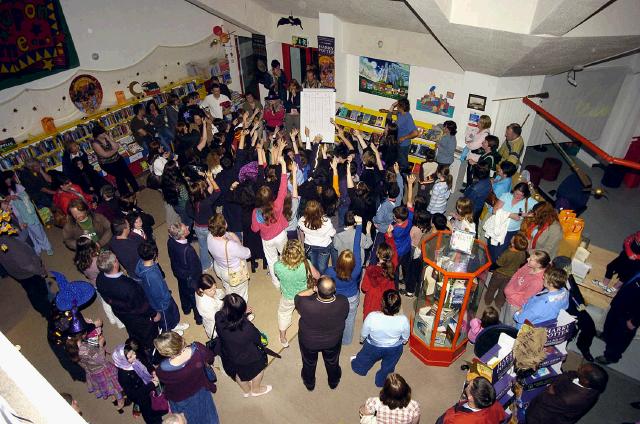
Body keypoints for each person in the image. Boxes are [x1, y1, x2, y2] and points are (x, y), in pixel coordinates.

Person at [96, 251, 159, 355]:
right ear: (115, 264)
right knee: (149, 335)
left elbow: (107, 299)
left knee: (133, 332)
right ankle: (152, 353)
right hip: (137, 317)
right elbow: (141, 306)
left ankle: (137, 344)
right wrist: (154, 314)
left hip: (121, 313)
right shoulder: (128, 286)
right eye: (116, 259)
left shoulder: (100, 279)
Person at [64, 311, 126, 413]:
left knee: (104, 386)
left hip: (91, 371)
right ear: (83, 334)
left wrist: (94, 333)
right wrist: (100, 345)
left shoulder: (73, 345)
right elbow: (100, 359)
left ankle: (112, 396)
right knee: (113, 385)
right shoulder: (86, 349)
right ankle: (120, 400)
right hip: (102, 370)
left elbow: (89, 347)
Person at [295, 276, 349, 391]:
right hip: (333, 341)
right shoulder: (343, 301)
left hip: (309, 341)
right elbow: (344, 316)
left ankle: (309, 383)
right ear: (334, 290)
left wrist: (313, 289)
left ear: (317, 289)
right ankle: (333, 381)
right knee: (332, 361)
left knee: (309, 362)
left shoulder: (305, 304)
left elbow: (298, 296)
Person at [154, 332, 219, 424]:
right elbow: (210, 358)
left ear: (164, 352)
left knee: (187, 417)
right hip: (200, 386)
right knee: (207, 411)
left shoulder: (162, 369)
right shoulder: (198, 349)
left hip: (179, 395)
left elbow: (163, 380)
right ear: (180, 339)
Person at [215, 293, 272, 397]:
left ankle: (246, 391)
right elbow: (257, 339)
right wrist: (244, 316)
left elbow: (230, 320)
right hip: (247, 356)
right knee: (260, 368)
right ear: (240, 312)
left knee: (238, 374)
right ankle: (256, 389)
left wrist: (241, 313)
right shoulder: (246, 328)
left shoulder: (218, 316)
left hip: (228, 354)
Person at [352, 290, 410, 387]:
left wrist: (362, 339)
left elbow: (364, 332)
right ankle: (382, 381)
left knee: (365, 358)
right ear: (398, 306)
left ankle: (360, 369)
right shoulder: (403, 320)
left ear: (382, 303)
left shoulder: (372, 317)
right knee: (388, 367)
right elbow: (405, 335)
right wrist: (404, 341)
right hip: (394, 348)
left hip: (373, 346)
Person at [136, 241, 190, 335]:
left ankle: (174, 325)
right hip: (161, 304)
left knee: (174, 313)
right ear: (154, 254)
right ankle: (169, 332)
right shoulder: (151, 275)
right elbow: (157, 293)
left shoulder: (142, 263)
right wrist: (166, 299)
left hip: (164, 295)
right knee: (166, 320)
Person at [526, 363, 608, 424]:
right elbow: (569, 374)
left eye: (581, 369)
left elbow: (546, 400)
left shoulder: (569, 399)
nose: (579, 367)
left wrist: (551, 388)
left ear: (585, 381)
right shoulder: (594, 386)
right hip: (561, 403)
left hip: (546, 418)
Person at [251, 157, 289, 288]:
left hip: (267, 239)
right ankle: (287, 277)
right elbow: (283, 188)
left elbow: (255, 229)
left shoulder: (256, 212)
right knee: (285, 256)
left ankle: (276, 282)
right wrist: (283, 165)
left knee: (272, 260)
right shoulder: (277, 205)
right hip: (280, 235)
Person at [275, 239, 320, 347]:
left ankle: (283, 337)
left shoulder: (278, 266)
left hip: (288, 296)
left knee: (283, 314)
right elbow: (317, 276)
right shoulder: (306, 263)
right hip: (304, 295)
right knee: (304, 311)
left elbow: (278, 276)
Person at [326, 218, 364, 345]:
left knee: (335, 318)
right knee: (350, 319)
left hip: (336, 298)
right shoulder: (357, 269)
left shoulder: (330, 271)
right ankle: (346, 340)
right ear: (353, 262)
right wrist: (359, 225)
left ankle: (334, 336)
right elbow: (356, 246)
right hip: (352, 297)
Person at [74, 236, 123, 327]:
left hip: (94, 283)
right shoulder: (96, 260)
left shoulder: (79, 260)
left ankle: (111, 319)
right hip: (105, 282)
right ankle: (120, 323)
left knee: (105, 301)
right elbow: (106, 269)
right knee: (113, 302)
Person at [113, 340, 166, 424]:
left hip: (150, 381)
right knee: (149, 412)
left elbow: (147, 363)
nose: (134, 356)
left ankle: (161, 408)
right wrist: (151, 385)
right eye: (130, 357)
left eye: (133, 353)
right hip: (142, 395)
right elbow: (133, 394)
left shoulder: (135, 356)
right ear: (122, 360)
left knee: (159, 397)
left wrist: (152, 371)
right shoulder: (123, 377)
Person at [1, 170, 53, 255]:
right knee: (30, 234)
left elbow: (27, 198)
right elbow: (8, 207)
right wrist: (7, 201)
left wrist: (16, 197)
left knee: (38, 232)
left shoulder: (18, 187)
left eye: (9, 179)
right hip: (18, 216)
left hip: (28, 213)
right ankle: (37, 248)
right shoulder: (4, 192)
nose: (8, 181)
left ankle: (47, 247)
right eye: (6, 180)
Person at [0, 232, 51, 318]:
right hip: (29, 274)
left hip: (18, 273)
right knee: (37, 294)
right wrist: (41, 271)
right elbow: (27, 264)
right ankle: (48, 312)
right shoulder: (10, 243)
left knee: (34, 291)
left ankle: (46, 303)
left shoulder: (4, 240)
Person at [596, 270, 640, 365]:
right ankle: (606, 337)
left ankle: (611, 357)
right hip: (619, 304)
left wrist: (635, 322)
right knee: (609, 324)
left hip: (631, 315)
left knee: (620, 337)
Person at [487, 182, 536, 262]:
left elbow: (539, 209)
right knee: (490, 248)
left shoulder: (528, 201)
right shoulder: (506, 196)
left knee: (498, 253)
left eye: (521, 195)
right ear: (514, 190)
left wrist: (523, 214)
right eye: (516, 194)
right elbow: (495, 211)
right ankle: (487, 265)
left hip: (510, 231)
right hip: (496, 227)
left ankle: (490, 266)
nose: (518, 197)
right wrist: (511, 215)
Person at [208, 213, 252, 302]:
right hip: (234, 273)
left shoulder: (209, 236)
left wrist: (229, 235)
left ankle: (230, 302)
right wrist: (237, 240)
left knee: (228, 288)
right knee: (241, 296)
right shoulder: (231, 245)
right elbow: (247, 253)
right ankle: (242, 312)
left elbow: (224, 235)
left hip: (220, 269)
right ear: (225, 225)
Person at [167, 221, 203, 324]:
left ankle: (186, 309)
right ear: (182, 235)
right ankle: (199, 318)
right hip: (189, 277)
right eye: (185, 228)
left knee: (182, 290)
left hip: (178, 272)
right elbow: (195, 268)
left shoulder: (170, 241)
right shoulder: (188, 250)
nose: (188, 227)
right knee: (194, 296)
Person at [502, 250, 550, 326]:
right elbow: (517, 274)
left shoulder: (537, 282)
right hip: (510, 297)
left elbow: (525, 299)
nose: (527, 259)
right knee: (503, 316)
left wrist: (511, 296)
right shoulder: (528, 265)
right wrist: (509, 288)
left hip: (514, 305)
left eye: (531, 259)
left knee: (507, 323)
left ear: (538, 265)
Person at [483, 232, 528, 308]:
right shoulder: (523, 253)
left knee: (492, 288)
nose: (512, 237)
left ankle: (487, 301)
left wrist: (491, 268)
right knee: (502, 291)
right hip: (511, 276)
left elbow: (498, 264)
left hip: (499, 274)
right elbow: (522, 262)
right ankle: (499, 304)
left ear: (513, 244)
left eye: (513, 238)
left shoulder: (507, 253)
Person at [91, 125, 140, 195]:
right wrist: (115, 150)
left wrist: (109, 138)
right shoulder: (95, 143)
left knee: (128, 173)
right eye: (102, 133)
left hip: (117, 159)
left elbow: (116, 146)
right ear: (97, 135)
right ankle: (125, 193)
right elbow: (105, 155)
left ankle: (136, 189)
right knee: (119, 176)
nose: (104, 133)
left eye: (104, 132)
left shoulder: (106, 137)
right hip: (106, 164)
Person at [436, 376, 506, 423]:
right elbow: (502, 417)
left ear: (470, 398)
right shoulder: (494, 403)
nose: (468, 382)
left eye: (469, 385)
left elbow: (447, 419)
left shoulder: (457, 420)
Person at [188, 171, 220, 271]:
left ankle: (205, 266)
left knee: (203, 247)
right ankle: (219, 263)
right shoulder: (206, 202)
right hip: (208, 228)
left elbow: (210, 188)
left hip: (197, 227)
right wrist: (211, 178)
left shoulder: (191, 201)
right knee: (215, 245)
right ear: (201, 192)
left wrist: (207, 177)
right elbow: (218, 191)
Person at [362, 239, 398, 320]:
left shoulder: (370, 270)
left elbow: (364, 288)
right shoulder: (392, 268)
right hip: (384, 302)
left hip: (372, 301)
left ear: (378, 255)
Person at [298, 199, 336, 274]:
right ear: (319, 209)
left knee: (313, 265)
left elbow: (301, 230)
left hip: (309, 245)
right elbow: (332, 233)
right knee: (323, 267)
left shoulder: (302, 220)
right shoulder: (326, 221)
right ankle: (321, 280)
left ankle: (315, 278)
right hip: (324, 246)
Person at [389, 98, 419, 172]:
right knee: (399, 160)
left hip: (403, 144)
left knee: (403, 163)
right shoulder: (400, 113)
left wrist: (404, 138)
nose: (397, 107)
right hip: (398, 142)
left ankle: (405, 177)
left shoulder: (408, 117)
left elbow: (415, 133)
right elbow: (395, 112)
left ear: (401, 107)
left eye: (398, 105)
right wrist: (387, 110)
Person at [463, 114, 491, 187]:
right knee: (469, 173)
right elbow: (468, 136)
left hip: (476, 158)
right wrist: (468, 141)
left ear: (484, 124)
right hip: (471, 155)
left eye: (479, 122)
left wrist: (468, 143)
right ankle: (467, 188)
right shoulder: (477, 129)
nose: (477, 123)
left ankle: (470, 192)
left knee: (474, 176)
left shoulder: (485, 134)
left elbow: (473, 146)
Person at [195, 274, 225, 339]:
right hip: (214, 323)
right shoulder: (205, 305)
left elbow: (218, 293)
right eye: (210, 290)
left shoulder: (200, 291)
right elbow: (216, 318)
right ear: (201, 289)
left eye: (215, 287)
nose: (214, 291)